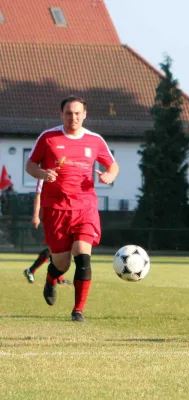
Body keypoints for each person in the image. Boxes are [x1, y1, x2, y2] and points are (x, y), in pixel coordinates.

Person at [25, 95, 119, 322]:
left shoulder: (95, 140)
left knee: (83, 255)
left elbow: (112, 164)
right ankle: (50, 279)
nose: (73, 117)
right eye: (68, 113)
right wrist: (43, 174)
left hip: (85, 206)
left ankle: (78, 310)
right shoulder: (48, 138)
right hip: (55, 208)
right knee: (62, 263)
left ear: (85, 114)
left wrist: (109, 175)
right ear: (61, 114)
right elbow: (30, 165)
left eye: (77, 113)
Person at [23, 179, 69, 284]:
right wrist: (35, 216)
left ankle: (55, 276)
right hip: (52, 214)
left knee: (62, 247)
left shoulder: (66, 172)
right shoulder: (44, 174)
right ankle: (33, 271)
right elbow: (38, 195)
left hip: (65, 213)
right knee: (55, 247)